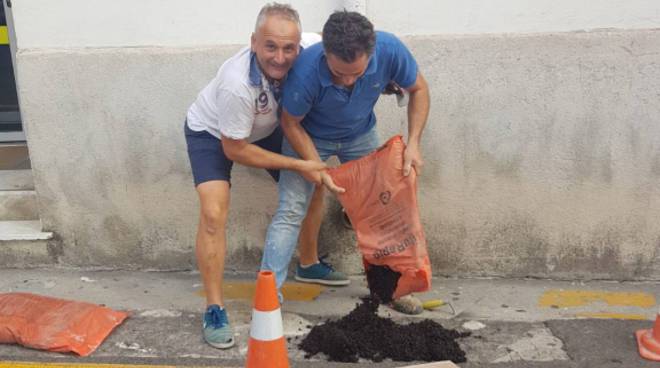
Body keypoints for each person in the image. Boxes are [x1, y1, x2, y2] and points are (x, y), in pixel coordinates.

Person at [184, 3, 349, 349]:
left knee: (314, 183)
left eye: (289, 48)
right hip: (216, 135)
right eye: (270, 46)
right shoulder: (236, 84)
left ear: (299, 44)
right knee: (214, 212)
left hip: (269, 126)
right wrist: (299, 164)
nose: (280, 57)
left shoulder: (314, 48)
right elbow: (236, 149)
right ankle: (214, 308)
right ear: (254, 42)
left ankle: (308, 263)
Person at [261, 10, 430, 315]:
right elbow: (290, 123)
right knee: (291, 210)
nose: (349, 80)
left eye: (358, 73)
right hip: (310, 136)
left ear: (372, 52)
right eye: (339, 74)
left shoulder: (390, 50)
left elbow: (418, 88)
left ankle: (391, 290)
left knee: (384, 207)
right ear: (326, 54)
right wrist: (316, 165)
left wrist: (414, 142)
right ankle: (268, 300)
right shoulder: (305, 71)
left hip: (360, 133)